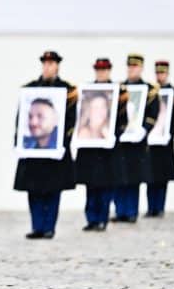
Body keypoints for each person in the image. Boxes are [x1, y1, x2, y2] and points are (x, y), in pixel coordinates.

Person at [13, 51, 77, 239]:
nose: (48, 67)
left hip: (55, 149)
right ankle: (37, 226)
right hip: (33, 151)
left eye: (51, 63)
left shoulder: (68, 90)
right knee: (34, 190)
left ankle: (49, 227)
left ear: (57, 66)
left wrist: (63, 142)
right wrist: (18, 140)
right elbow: (22, 118)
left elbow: (72, 119)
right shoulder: (31, 89)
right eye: (45, 63)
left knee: (52, 190)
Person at [75, 58, 128, 231]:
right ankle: (91, 219)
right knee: (91, 186)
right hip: (90, 149)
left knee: (105, 186)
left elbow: (123, 120)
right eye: (98, 70)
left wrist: (115, 135)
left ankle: (102, 219)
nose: (101, 73)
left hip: (107, 150)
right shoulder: (87, 91)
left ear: (109, 71)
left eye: (104, 70)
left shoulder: (119, 92)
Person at [112, 54, 159, 223]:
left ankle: (131, 212)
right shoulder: (119, 88)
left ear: (141, 68)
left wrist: (144, 130)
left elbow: (153, 114)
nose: (132, 69)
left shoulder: (150, 90)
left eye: (135, 67)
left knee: (133, 178)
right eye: (130, 66)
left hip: (137, 143)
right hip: (121, 140)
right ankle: (120, 211)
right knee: (119, 176)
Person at [147, 60, 174, 217]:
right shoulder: (151, 92)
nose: (159, 76)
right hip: (150, 140)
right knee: (150, 175)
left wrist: (170, 133)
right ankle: (151, 208)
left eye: (162, 73)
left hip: (165, 141)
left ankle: (160, 207)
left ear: (167, 73)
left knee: (162, 176)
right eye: (158, 73)